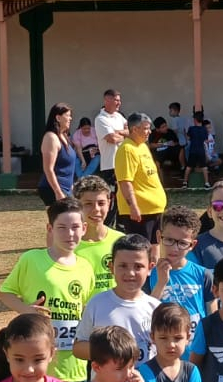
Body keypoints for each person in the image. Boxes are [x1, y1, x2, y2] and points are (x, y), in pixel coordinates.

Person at [0, 198, 95, 382]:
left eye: (75, 227)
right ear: (50, 229)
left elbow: (86, 310)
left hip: (74, 367)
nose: (69, 234)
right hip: (39, 367)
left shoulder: (86, 267)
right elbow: (5, 292)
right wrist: (26, 310)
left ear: (84, 228)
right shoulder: (32, 260)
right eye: (62, 227)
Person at [75, 232, 161, 363]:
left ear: (150, 268)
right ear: (111, 267)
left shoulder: (156, 308)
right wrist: (111, 351)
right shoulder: (97, 304)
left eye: (138, 267)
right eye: (123, 266)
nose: (130, 273)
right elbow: (78, 347)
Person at [149, 204, 211, 337]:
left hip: (196, 353)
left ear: (192, 245)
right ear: (159, 237)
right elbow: (146, 314)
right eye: (169, 240)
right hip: (162, 351)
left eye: (182, 243)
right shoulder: (148, 274)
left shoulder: (203, 274)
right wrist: (161, 283)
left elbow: (212, 318)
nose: (175, 248)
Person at [115, 112, 167, 258]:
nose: (149, 132)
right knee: (141, 251)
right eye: (145, 128)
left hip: (154, 208)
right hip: (140, 212)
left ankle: (154, 276)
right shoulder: (127, 149)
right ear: (135, 129)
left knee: (155, 246)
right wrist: (133, 206)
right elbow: (125, 181)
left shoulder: (142, 146)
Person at [71, 174, 120, 294]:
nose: (96, 209)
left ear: (109, 203)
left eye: (101, 203)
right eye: (88, 204)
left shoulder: (120, 241)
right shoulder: (69, 245)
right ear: (76, 205)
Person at [37, 103, 78, 206]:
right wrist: (58, 192)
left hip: (66, 188)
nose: (70, 118)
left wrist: (71, 188)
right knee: (61, 220)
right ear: (58, 118)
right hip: (53, 189)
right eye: (67, 115)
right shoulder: (51, 137)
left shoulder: (65, 137)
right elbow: (48, 169)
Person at [183, 109, 213, 187]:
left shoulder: (191, 128)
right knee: (204, 167)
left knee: (189, 167)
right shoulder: (204, 129)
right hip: (201, 150)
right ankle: (207, 183)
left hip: (193, 150)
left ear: (195, 120)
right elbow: (205, 140)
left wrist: (185, 133)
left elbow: (189, 138)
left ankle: (185, 182)